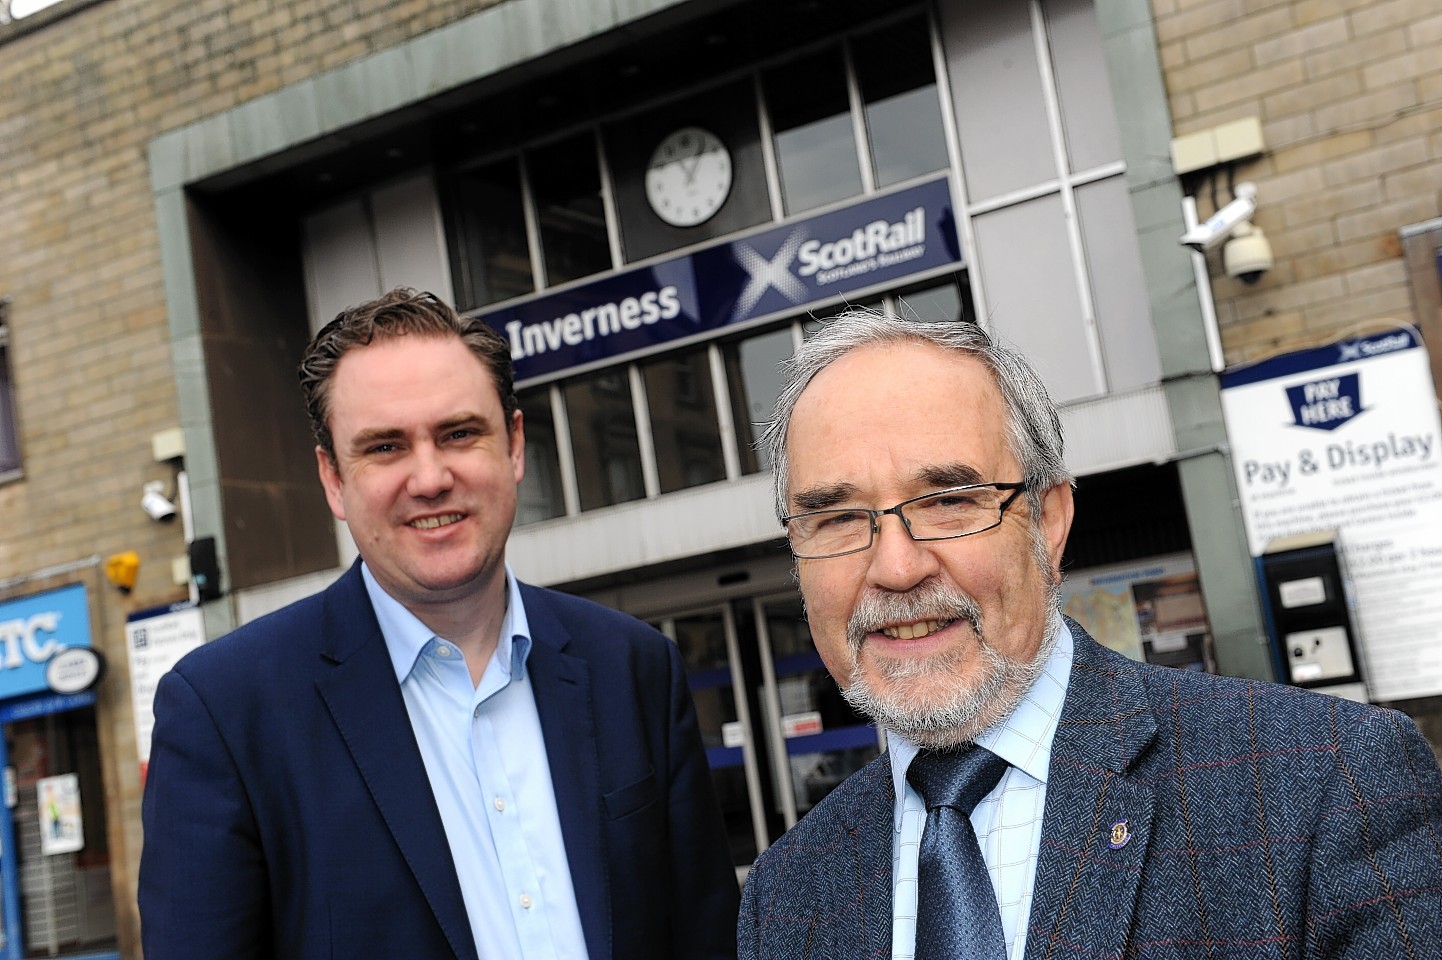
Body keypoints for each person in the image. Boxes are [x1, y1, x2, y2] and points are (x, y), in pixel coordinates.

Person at [738, 306, 1442, 959]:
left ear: (1048, 520)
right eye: (833, 518)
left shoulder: (1326, 779)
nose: (894, 566)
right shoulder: (785, 893)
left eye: (949, 501)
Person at [139, 287, 738, 960]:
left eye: (458, 433)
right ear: (333, 479)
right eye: (386, 447)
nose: (430, 478)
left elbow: (704, 936)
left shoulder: (633, 669)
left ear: (513, 445)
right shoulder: (225, 714)